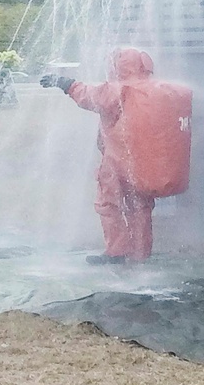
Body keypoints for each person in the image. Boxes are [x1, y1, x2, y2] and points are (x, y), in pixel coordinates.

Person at [41, 48, 191, 265]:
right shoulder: (154, 90)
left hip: (116, 160)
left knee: (108, 204)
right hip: (142, 162)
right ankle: (140, 254)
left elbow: (89, 96)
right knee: (140, 206)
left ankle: (117, 251)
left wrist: (65, 83)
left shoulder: (119, 90)